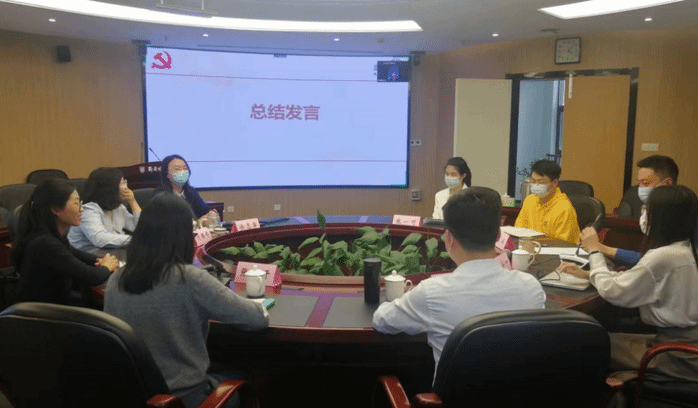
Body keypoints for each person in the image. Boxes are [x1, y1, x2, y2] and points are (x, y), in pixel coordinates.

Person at [104, 194, 269, 407]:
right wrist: (260, 305)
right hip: (185, 399)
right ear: (183, 236)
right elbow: (257, 319)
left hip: (135, 395)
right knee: (245, 373)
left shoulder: (115, 279)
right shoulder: (189, 278)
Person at [373, 187, 546, 380]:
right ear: (499, 235)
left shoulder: (432, 292)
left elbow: (382, 321)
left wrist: (405, 298)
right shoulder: (531, 288)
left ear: (448, 239)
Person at [561, 185, 698, 381]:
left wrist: (594, 250)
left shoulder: (664, 256)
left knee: (581, 342)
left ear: (662, 217)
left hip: (674, 355)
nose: (643, 214)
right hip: (682, 344)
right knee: (599, 336)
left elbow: (613, 292)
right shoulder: (684, 249)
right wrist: (589, 275)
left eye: (647, 209)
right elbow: (637, 281)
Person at [11, 179, 119, 305]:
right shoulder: (45, 244)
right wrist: (106, 266)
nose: (81, 209)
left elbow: (79, 256)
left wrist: (101, 260)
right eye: (76, 203)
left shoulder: (53, 236)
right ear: (56, 209)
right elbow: (91, 277)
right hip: (45, 314)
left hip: (55, 306)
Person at [582, 155, 678, 268]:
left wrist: (599, 248)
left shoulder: (677, 218)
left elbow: (652, 262)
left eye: (646, 183)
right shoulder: (652, 209)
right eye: (639, 183)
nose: (640, 189)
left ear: (667, 184)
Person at [67, 167, 141, 255]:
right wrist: (136, 240)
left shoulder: (118, 208)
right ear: (109, 188)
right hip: (88, 257)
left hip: (111, 253)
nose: (126, 187)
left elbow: (139, 228)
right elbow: (100, 239)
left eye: (125, 182)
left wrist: (133, 202)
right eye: (121, 183)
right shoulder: (88, 210)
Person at [514, 159, 580, 243]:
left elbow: (562, 243)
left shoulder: (564, 208)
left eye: (541, 182)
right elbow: (519, 230)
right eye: (533, 181)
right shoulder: (529, 200)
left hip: (557, 249)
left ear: (554, 183)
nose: (536, 185)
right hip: (531, 246)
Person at [157, 154, 218, 224]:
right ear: (166, 174)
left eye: (185, 168)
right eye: (177, 169)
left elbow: (205, 211)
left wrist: (211, 214)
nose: (182, 172)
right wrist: (197, 223)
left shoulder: (191, 192)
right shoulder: (160, 196)